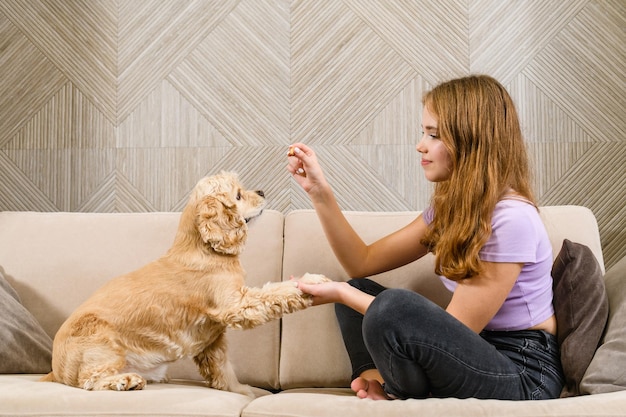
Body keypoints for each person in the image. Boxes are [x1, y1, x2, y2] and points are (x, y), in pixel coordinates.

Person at [286, 75, 564, 401]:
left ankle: (396, 390)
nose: (421, 145)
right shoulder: (452, 208)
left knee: (386, 305)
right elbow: (362, 261)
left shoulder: (512, 219)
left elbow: (457, 329)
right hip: (476, 352)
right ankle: (378, 384)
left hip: (522, 372)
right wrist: (320, 192)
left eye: (433, 135)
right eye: (423, 133)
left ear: (471, 141)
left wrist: (340, 294)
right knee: (361, 287)